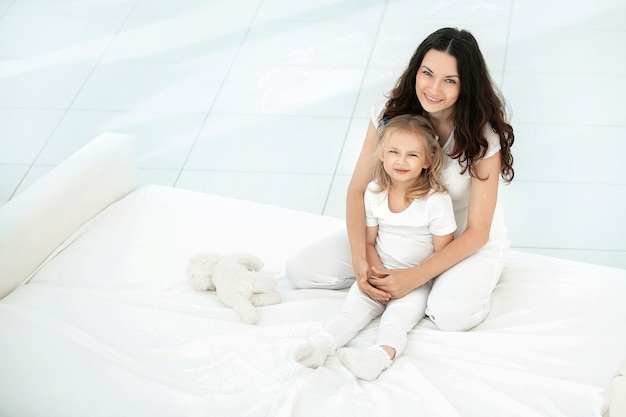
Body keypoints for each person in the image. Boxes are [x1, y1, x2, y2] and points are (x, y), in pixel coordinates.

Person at [286, 27, 515, 332]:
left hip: (459, 241)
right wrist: (362, 261)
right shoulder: (388, 115)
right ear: (415, 71)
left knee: (450, 316)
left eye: (450, 80)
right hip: (393, 235)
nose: (434, 88)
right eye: (427, 73)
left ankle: (431, 289)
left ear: (466, 86)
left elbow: (477, 231)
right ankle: (416, 286)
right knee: (302, 271)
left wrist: (415, 276)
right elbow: (357, 191)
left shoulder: (482, 136)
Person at [293, 115, 456, 380]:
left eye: (412, 155)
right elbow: (368, 242)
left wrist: (409, 280)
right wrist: (376, 274)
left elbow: (443, 252)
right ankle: (321, 345)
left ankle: (378, 358)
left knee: (397, 320)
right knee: (352, 309)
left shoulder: (435, 200)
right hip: (378, 272)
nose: (401, 161)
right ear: (381, 155)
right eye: (394, 152)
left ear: (427, 160)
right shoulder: (375, 192)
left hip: (416, 281)